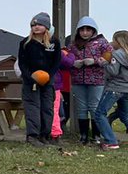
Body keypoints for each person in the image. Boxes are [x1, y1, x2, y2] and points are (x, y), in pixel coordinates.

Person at [68, 16, 116, 148]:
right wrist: (73, 63)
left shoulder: (102, 42)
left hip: (96, 80)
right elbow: (67, 59)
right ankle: (83, 136)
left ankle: (96, 135)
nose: (85, 33)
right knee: (81, 108)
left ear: (93, 30)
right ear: (78, 31)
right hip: (78, 80)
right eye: (82, 30)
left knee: (95, 107)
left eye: (88, 30)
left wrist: (94, 61)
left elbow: (110, 57)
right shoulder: (73, 44)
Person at [17, 12, 62, 147]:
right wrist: (30, 77)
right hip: (30, 82)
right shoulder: (25, 43)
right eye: (33, 25)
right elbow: (22, 63)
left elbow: (56, 62)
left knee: (47, 108)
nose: (36, 27)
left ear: (46, 27)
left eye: (40, 24)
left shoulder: (54, 43)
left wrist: (48, 77)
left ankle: (45, 135)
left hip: (48, 82)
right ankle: (32, 136)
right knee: (32, 108)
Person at [99, 30, 128, 145]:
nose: (112, 42)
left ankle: (111, 141)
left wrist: (104, 63)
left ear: (118, 41)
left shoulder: (116, 54)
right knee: (124, 114)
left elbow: (113, 71)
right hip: (126, 89)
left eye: (114, 40)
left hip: (115, 88)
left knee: (100, 113)